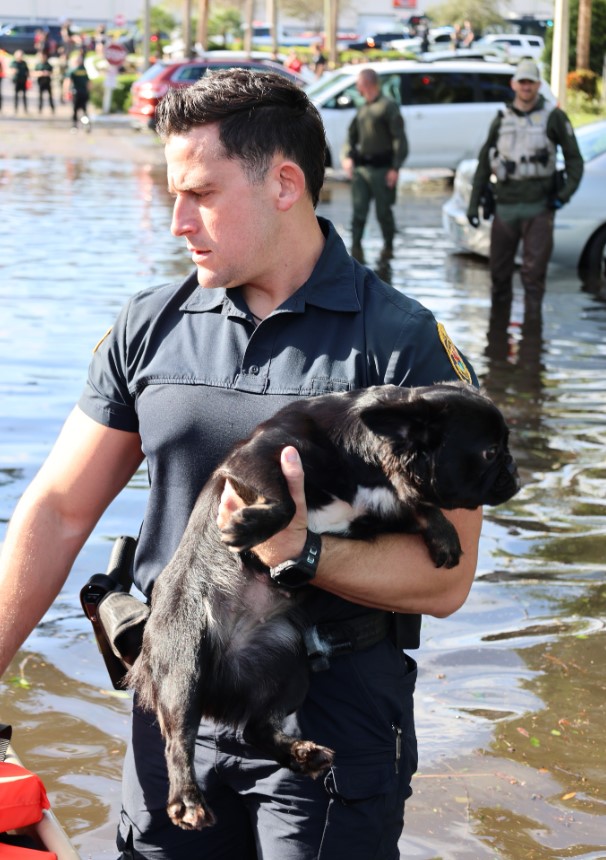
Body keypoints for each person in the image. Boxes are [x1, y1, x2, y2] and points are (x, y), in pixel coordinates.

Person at [0, 69, 482, 859]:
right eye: (173, 194)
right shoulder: (149, 327)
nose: (177, 221)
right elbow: (58, 508)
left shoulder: (399, 345)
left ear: (284, 183)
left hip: (331, 719)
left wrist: (302, 552)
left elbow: (447, 579)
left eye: (201, 194)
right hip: (175, 708)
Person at [467, 59, 583, 317]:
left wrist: (562, 196)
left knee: (533, 278)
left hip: (539, 209)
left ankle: (532, 337)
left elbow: (575, 161)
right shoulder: (501, 119)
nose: (526, 87)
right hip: (505, 208)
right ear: (514, 85)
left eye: (531, 82)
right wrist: (473, 205)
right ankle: (497, 338)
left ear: (538, 85)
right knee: (499, 276)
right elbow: (484, 164)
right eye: (522, 82)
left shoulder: (554, 117)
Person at [342, 68, 408, 263]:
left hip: (382, 170)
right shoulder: (363, 108)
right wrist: (347, 157)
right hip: (362, 170)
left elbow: (400, 139)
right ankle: (355, 252)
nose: (356, 87)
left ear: (366, 83)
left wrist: (395, 168)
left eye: (358, 83)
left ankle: (388, 250)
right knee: (358, 213)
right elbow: (351, 137)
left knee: (383, 213)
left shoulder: (388, 106)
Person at [65, 52, 90, 130]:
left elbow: (68, 81)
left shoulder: (72, 70)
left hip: (76, 93)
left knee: (75, 110)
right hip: (84, 93)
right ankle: (86, 124)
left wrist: (65, 92)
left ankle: (75, 125)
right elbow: (89, 83)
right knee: (84, 110)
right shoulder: (84, 70)